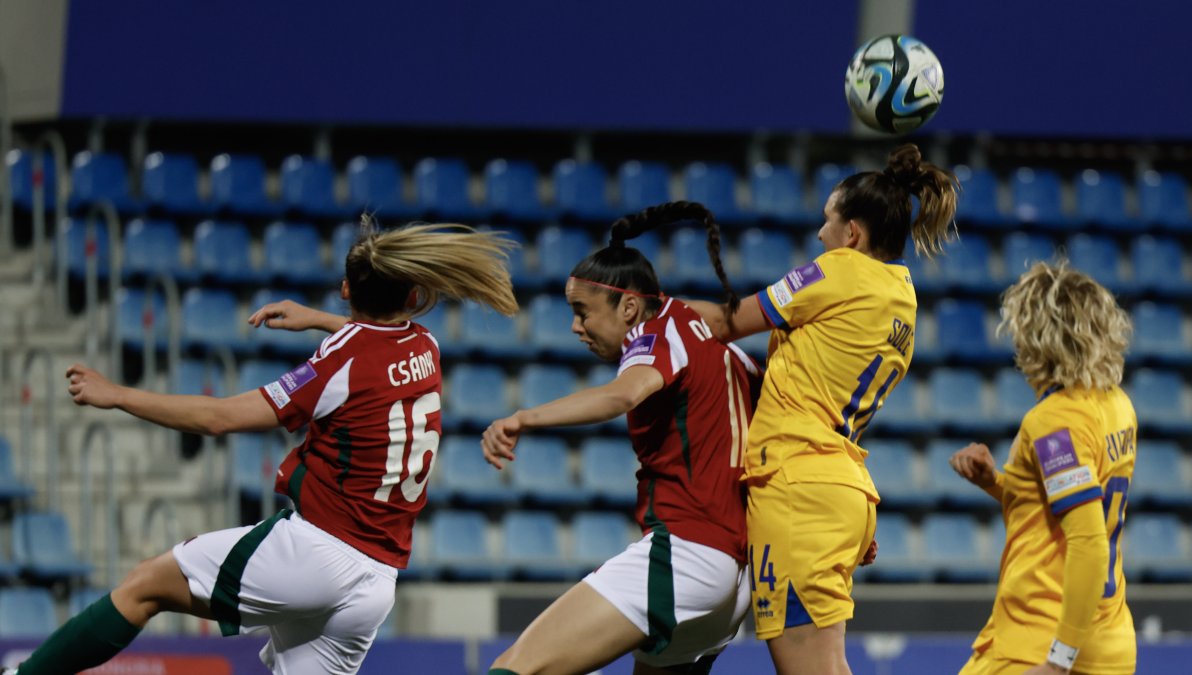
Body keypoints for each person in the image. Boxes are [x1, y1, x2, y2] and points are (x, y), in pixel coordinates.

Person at [13, 220, 517, 675]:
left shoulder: (340, 363)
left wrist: (117, 394)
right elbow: (371, 344)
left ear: (346, 289)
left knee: (146, 585)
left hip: (317, 553)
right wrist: (318, 319)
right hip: (376, 580)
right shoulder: (424, 347)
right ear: (412, 297)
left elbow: (218, 418)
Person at [685, 143, 959, 675]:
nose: (819, 235)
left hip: (798, 488)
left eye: (827, 221)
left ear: (851, 233)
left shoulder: (838, 271)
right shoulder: (902, 298)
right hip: (841, 490)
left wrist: (649, 309)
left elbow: (726, 323)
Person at [481, 202, 760, 675]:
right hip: (737, 581)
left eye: (582, 311)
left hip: (687, 555)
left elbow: (625, 393)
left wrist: (524, 418)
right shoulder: (729, 352)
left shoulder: (657, 332)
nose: (575, 327)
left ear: (629, 305)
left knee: (517, 668)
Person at [950, 261, 1136, 675]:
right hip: (1112, 646)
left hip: (1036, 643)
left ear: (1036, 338)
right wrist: (998, 484)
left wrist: (1058, 661)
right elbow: (1065, 506)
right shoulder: (1118, 406)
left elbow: (1088, 540)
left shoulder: (1054, 421)